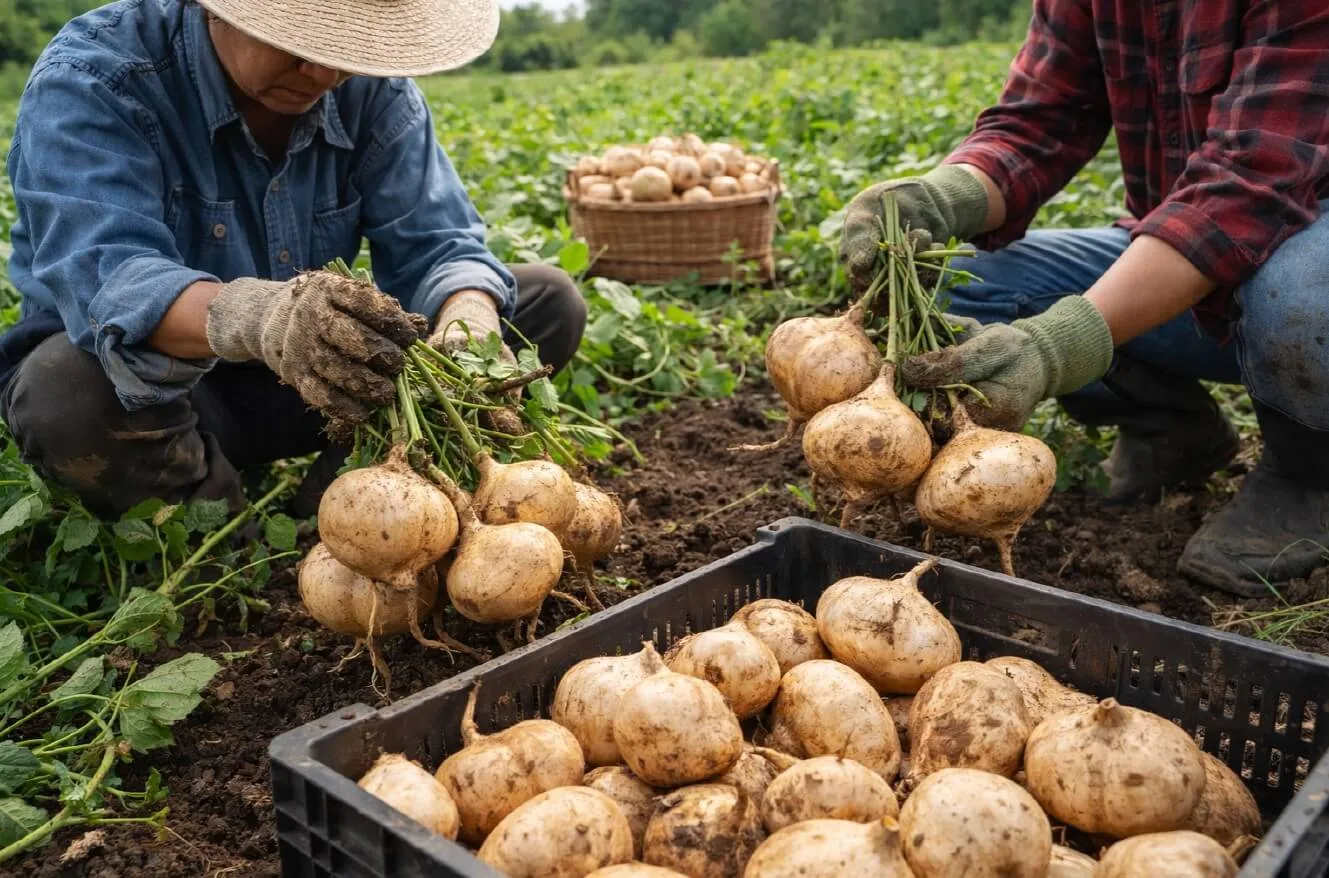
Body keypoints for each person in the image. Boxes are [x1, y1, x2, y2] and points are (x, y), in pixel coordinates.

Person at [0, 0, 587, 522]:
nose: (324, 73)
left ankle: (356, 504)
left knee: (543, 304)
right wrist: (261, 317)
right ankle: (224, 531)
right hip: (166, 400)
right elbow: (112, 278)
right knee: (64, 393)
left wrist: (468, 321)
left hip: (326, 385)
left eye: (344, 50)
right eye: (299, 45)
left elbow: (438, 244)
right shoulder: (95, 78)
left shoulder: (372, 91)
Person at [840, 2, 1329, 597]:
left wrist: (1055, 347)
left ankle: (1309, 476)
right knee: (979, 282)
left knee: (1300, 289)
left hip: (1303, 275)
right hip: (1200, 268)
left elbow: (1248, 186)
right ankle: (1173, 431)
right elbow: (1039, 120)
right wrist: (944, 198)